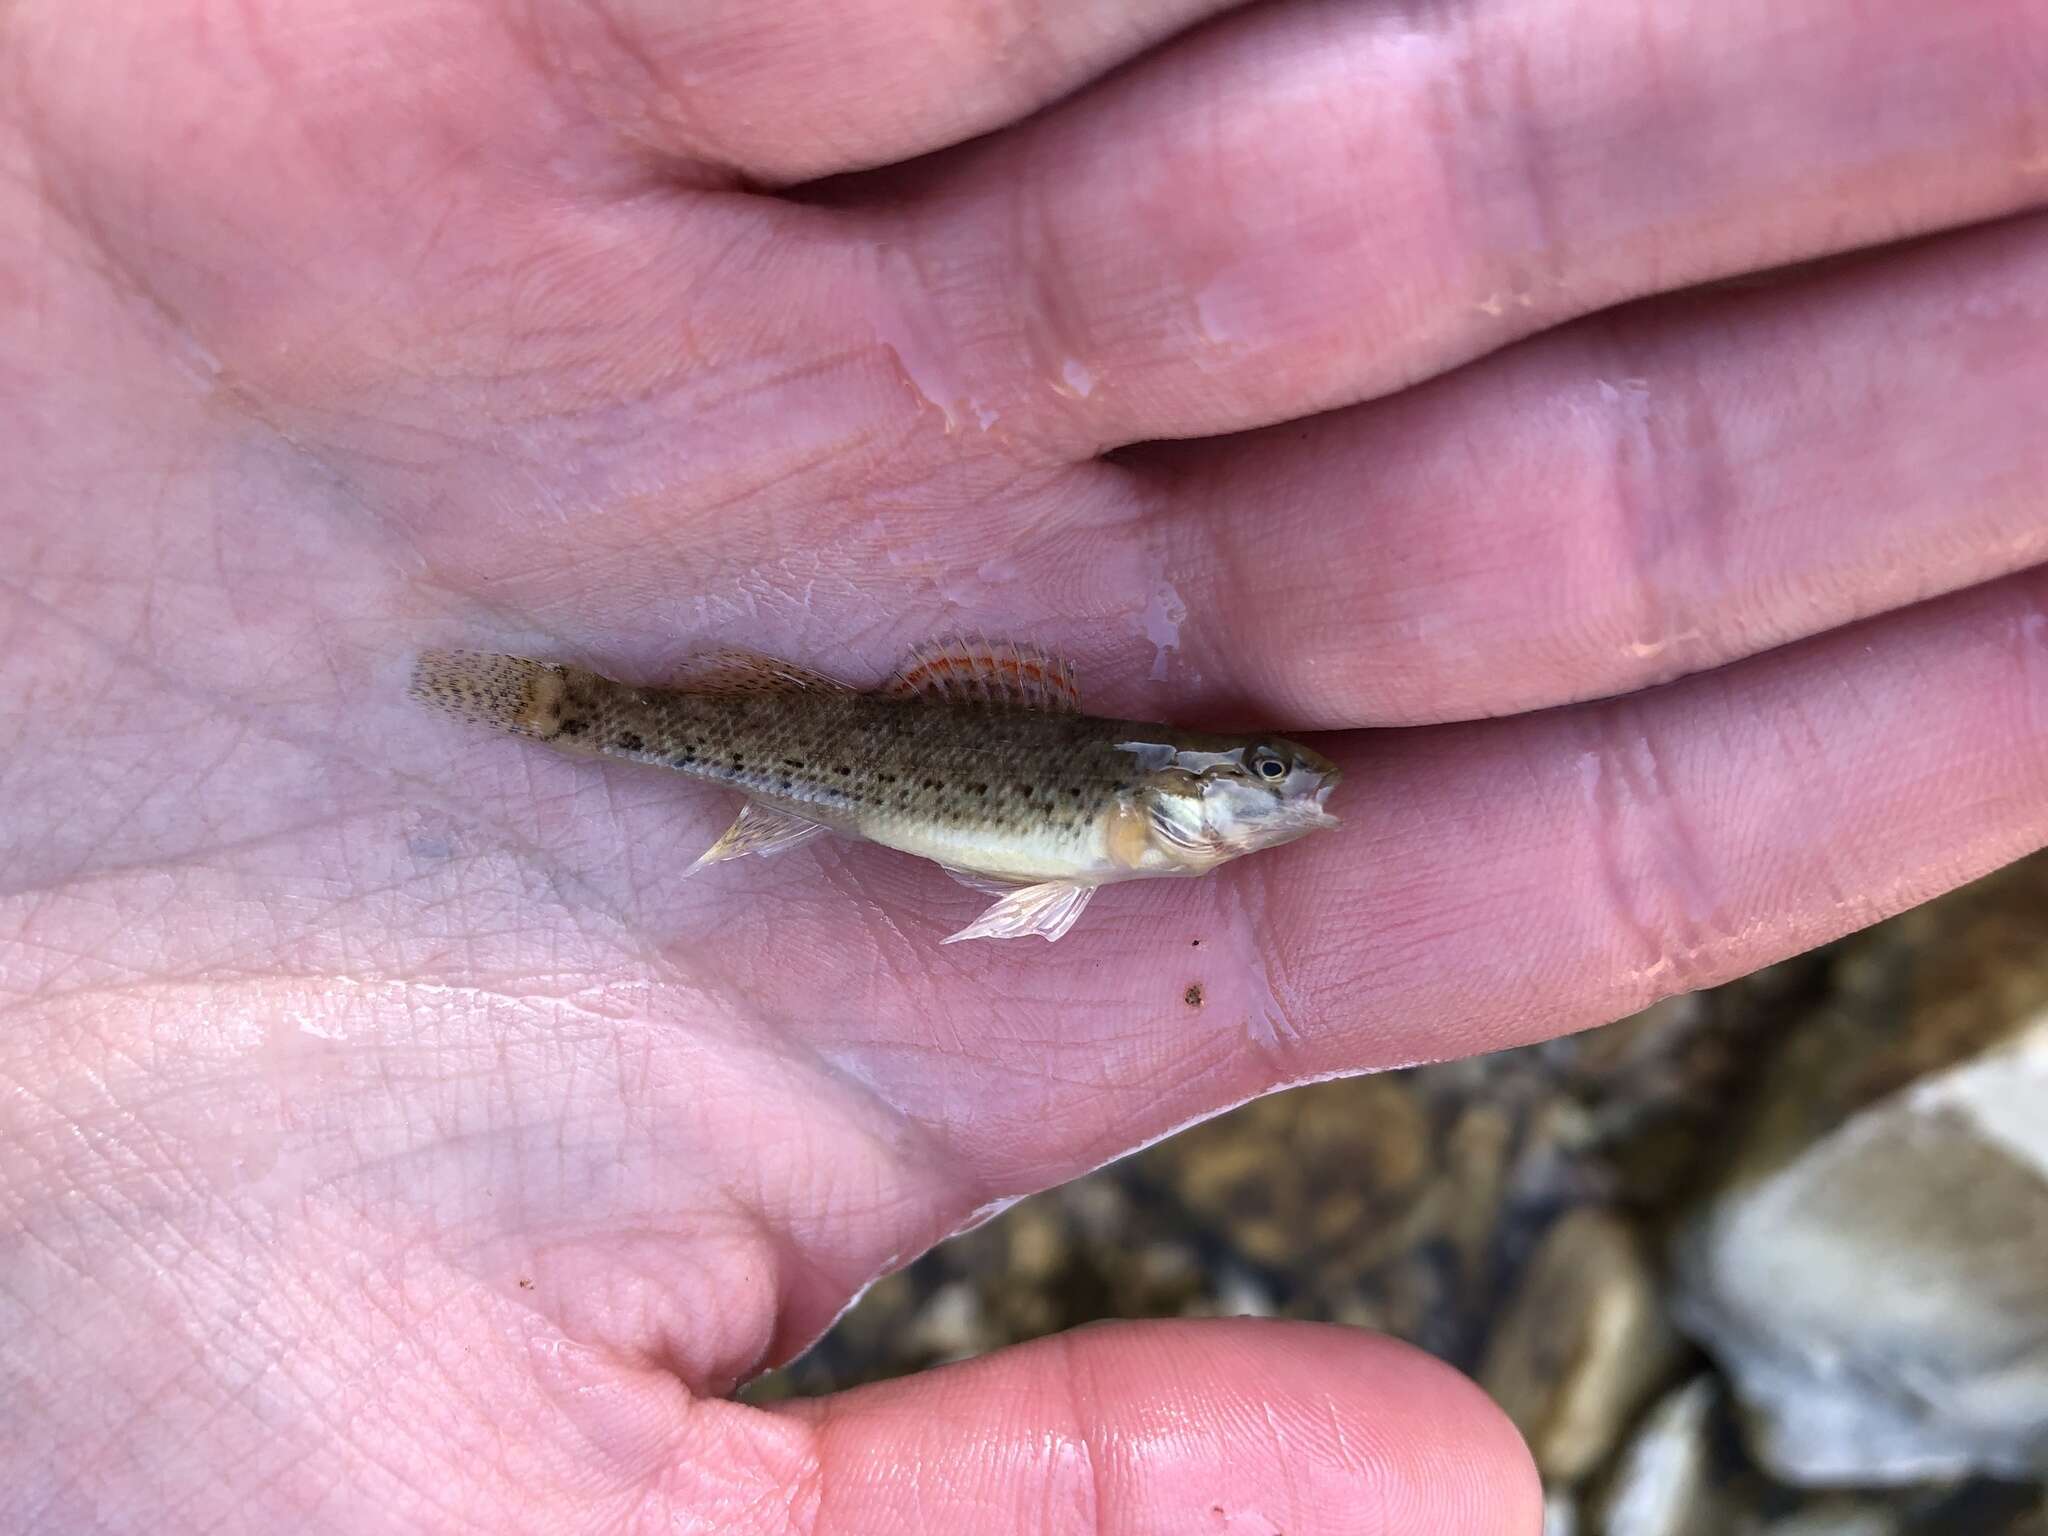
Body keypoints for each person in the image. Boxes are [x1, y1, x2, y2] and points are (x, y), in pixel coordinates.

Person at [4, 1, 2044, 1530]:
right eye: (1259, 787)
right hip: (837, 756)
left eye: (1260, 793)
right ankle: (561, 711)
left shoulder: (1126, 812)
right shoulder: (1132, 806)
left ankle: (577, 715)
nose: (1284, 800)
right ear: (1192, 789)